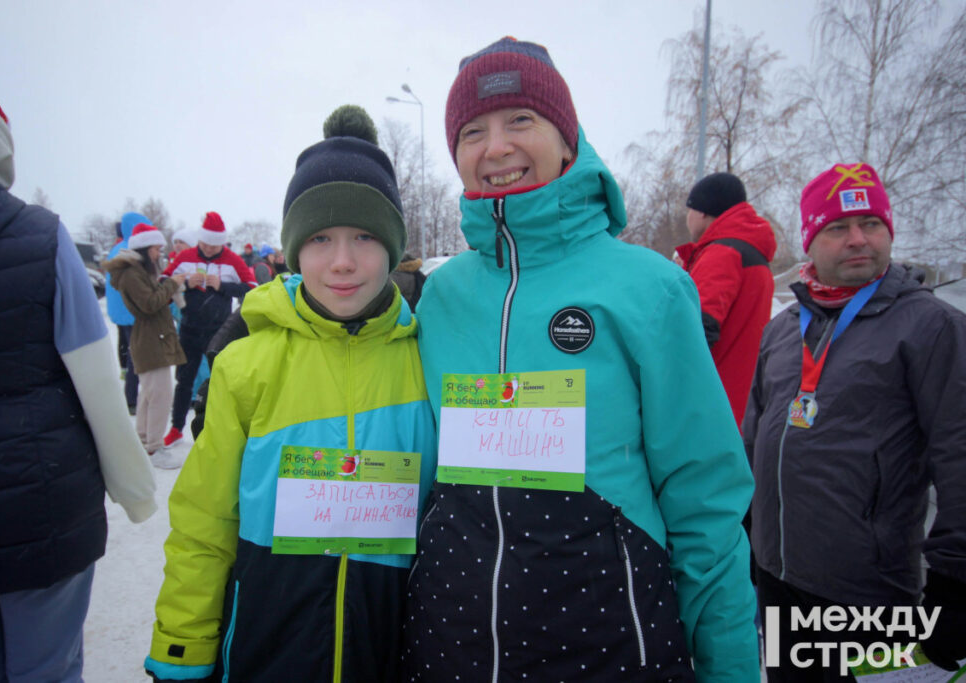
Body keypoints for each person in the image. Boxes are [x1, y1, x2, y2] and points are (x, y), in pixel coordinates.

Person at [401, 37, 758, 681]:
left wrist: (727, 663)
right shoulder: (442, 297)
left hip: (609, 632)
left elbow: (705, 495)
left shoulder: (649, 289)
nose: (496, 147)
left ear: (567, 139)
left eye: (520, 120)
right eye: (472, 131)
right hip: (452, 640)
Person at [145, 107, 437, 682]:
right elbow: (205, 523)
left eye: (366, 237)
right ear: (294, 249)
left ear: (395, 247)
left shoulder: (428, 358)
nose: (344, 261)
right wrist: (182, 649)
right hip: (266, 644)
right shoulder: (248, 365)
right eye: (322, 238)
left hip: (394, 647)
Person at [0, 61, 156, 681]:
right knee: (48, 669)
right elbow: (95, 379)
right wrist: (136, 493)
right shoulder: (38, 235)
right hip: (41, 505)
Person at [744, 162, 966, 680]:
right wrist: (747, 528)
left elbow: (960, 451)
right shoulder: (782, 330)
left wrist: (957, 577)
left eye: (872, 224)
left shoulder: (930, 327)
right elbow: (755, 434)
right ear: (810, 241)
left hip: (868, 591)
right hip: (777, 574)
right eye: (837, 228)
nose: (857, 239)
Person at [677, 172, 776, 428]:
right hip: (742, 398)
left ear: (702, 212)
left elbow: (695, 328)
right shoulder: (752, 252)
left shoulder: (721, 253)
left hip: (712, 403)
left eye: (689, 209)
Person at [161, 211, 255, 446]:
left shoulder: (233, 259)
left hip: (218, 331)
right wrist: (183, 283)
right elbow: (162, 282)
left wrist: (223, 286)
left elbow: (253, 287)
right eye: (205, 244)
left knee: (220, 382)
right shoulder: (185, 256)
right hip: (190, 330)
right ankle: (176, 428)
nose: (210, 250)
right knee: (184, 381)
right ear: (200, 240)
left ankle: (219, 429)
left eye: (215, 246)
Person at [103, 223, 188, 467]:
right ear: (143, 248)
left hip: (152, 338)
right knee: (160, 395)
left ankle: (143, 441)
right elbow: (150, 304)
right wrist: (171, 284)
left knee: (149, 395)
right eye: (156, 248)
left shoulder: (138, 271)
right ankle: (154, 448)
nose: (159, 253)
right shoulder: (131, 274)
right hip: (150, 341)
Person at [105, 211, 151, 414]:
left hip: (120, 312)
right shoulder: (135, 251)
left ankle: (129, 394)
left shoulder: (116, 250)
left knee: (129, 350)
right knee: (138, 356)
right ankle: (131, 398)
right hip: (133, 311)